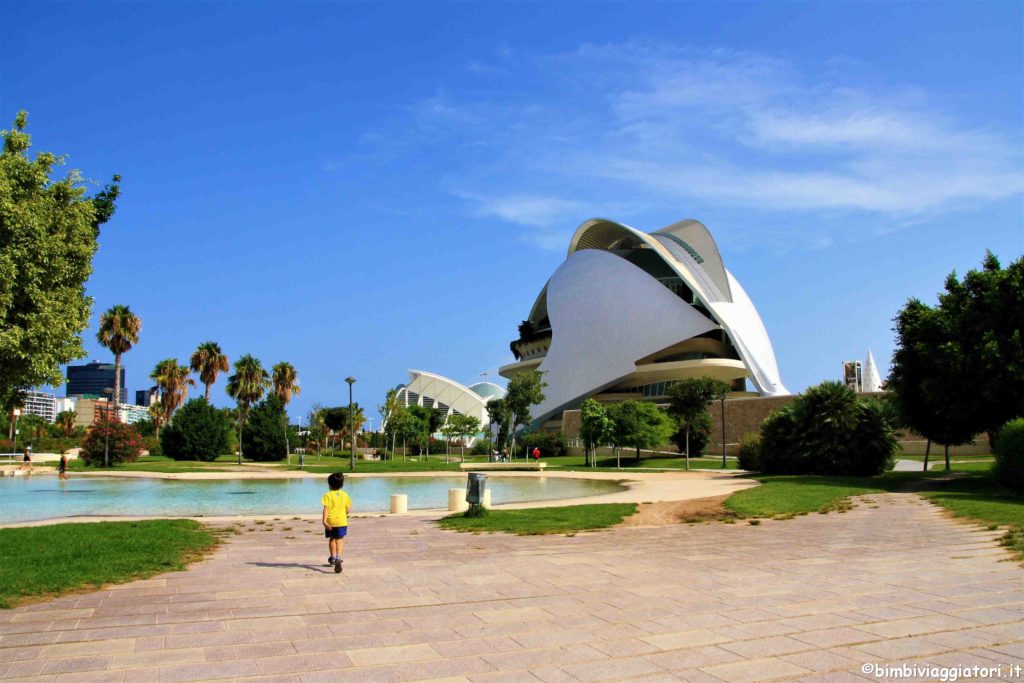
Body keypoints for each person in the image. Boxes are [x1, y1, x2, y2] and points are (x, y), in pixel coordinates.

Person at [321, 472, 352, 574]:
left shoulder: (328, 495)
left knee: (332, 539)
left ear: (329, 485)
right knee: (340, 539)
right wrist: (345, 514)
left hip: (331, 521)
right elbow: (347, 509)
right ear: (342, 485)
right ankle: (339, 556)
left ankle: (333, 558)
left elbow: (326, 508)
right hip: (341, 521)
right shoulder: (345, 495)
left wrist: (324, 520)